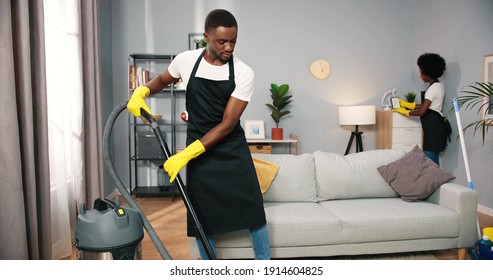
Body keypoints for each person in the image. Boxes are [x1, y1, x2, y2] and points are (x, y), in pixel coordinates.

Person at [126, 9, 270, 260]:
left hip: (230, 147)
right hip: (200, 151)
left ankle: (264, 265)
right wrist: (142, 92)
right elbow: (160, 81)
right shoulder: (186, 60)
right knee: (200, 214)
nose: (229, 47)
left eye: (233, 41)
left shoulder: (244, 72)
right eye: (222, 41)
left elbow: (227, 124)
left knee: (253, 209)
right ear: (206, 37)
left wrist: (186, 154)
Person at [394, 53, 450, 165]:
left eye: (421, 72)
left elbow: (422, 111)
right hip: (437, 125)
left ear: (428, 73)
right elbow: (427, 105)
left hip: (433, 129)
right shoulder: (439, 86)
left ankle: (432, 182)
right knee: (434, 162)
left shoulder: (432, 89)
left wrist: (405, 112)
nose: (420, 76)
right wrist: (408, 105)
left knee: (428, 161)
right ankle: (436, 182)